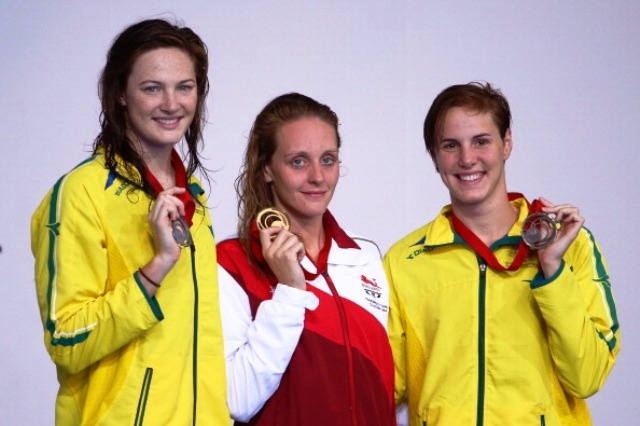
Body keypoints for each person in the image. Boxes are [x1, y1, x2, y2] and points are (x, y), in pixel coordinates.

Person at [384, 82, 620, 425]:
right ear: (435, 156)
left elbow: (588, 377)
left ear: (506, 143)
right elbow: (384, 387)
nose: (467, 159)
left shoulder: (571, 243)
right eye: (451, 145)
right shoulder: (404, 260)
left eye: (481, 141)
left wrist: (552, 271)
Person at [30, 18, 229, 424]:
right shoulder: (80, 193)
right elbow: (66, 339)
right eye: (152, 88)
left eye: (184, 87)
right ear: (121, 93)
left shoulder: (194, 197)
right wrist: (155, 270)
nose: (172, 103)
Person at [217, 92, 397, 426]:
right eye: (298, 161)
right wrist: (288, 291)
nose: (317, 177)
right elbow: (237, 399)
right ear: (267, 169)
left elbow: (385, 387)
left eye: (328, 159)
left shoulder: (364, 256)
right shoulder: (231, 264)